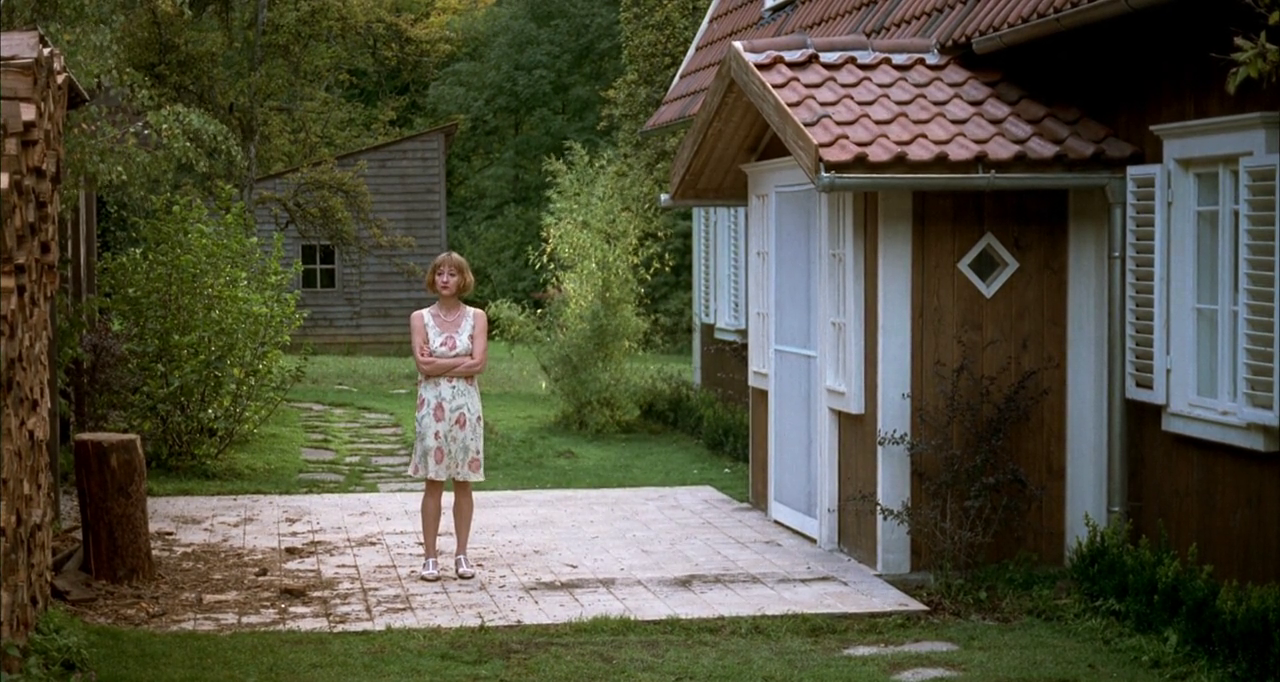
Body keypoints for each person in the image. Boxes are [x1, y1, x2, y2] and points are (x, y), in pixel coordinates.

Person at [406, 251, 488, 581]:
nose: (444, 279)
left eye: (452, 274)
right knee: (433, 481)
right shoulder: (419, 318)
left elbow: (479, 364)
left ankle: (462, 554)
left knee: (463, 482)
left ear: (462, 279)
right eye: (440, 273)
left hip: (466, 410)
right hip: (432, 408)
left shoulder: (477, 317)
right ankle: (430, 557)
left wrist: (439, 363)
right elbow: (422, 365)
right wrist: (460, 360)